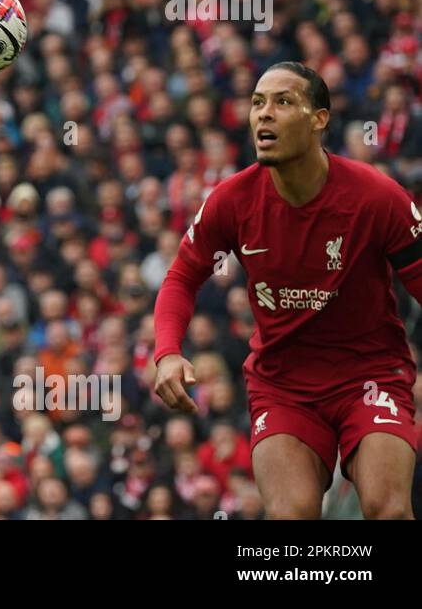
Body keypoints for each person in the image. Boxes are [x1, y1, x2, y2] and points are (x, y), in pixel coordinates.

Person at [153, 62, 422, 519]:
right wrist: (167, 352)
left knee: (389, 510)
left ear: (319, 119)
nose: (264, 114)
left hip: (369, 375)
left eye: (282, 102)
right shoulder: (232, 200)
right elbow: (181, 276)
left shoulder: (377, 197)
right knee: (290, 516)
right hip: (283, 387)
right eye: (258, 103)